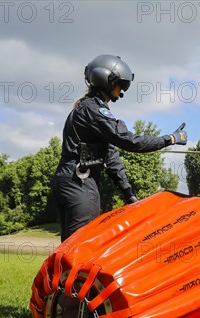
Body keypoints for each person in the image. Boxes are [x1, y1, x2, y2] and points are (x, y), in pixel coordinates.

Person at [51, 54, 187, 242]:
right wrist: (170, 139)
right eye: (120, 84)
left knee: (68, 247)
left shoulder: (86, 109)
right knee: (78, 248)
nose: (121, 89)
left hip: (68, 181)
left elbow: (111, 155)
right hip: (81, 183)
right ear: (108, 81)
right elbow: (129, 141)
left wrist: (128, 193)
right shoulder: (94, 110)